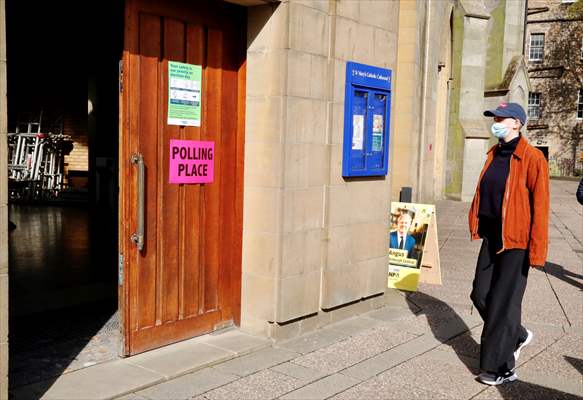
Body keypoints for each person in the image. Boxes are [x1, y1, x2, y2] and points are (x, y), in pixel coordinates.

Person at [468, 102, 549, 386]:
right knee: (479, 294)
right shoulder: (493, 154)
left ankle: (500, 368)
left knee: (503, 304)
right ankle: (517, 335)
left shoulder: (532, 157)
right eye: (494, 117)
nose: (496, 122)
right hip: (492, 237)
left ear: (517, 123)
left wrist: (537, 252)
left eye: (502, 118)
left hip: (516, 241)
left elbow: (541, 207)